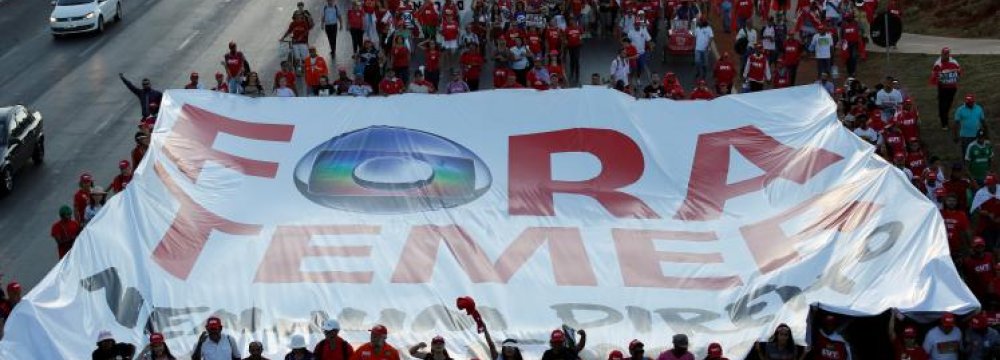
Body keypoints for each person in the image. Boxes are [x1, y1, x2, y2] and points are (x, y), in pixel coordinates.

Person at [930, 47, 962, 130]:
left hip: (952, 87)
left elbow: (959, 71)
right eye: (944, 54)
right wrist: (939, 78)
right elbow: (934, 75)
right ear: (942, 54)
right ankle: (944, 123)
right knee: (943, 105)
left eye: (947, 54)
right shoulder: (938, 64)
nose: (946, 55)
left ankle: (944, 116)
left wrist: (957, 76)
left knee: (948, 104)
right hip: (943, 88)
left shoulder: (954, 62)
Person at [963, 237, 994, 303]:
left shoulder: (990, 256)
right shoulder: (968, 262)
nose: (979, 248)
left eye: (981, 246)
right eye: (977, 246)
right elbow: (968, 278)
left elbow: (994, 272)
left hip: (991, 290)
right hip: (977, 293)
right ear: (973, 248)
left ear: (984, 246)